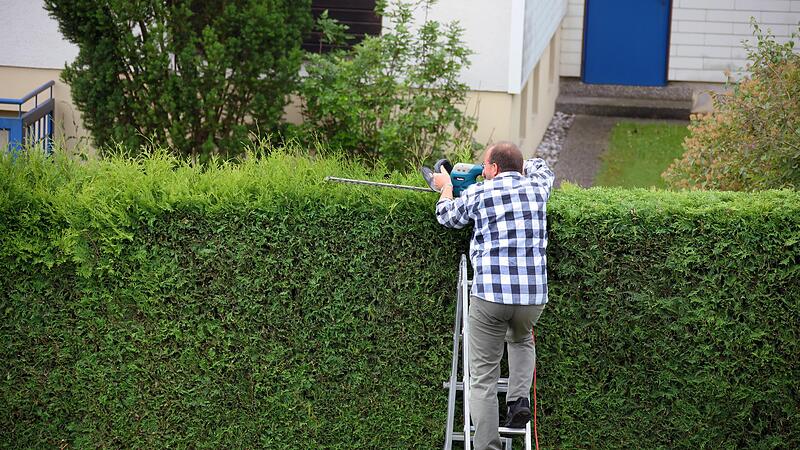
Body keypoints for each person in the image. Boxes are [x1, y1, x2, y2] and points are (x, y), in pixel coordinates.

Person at [432, 141, 554, 450]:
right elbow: (544, 167)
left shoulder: (479, 193)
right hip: (532, 298)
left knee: (483, 377)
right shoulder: (537, 187)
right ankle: (518, 400)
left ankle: (488, 446)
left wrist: (446, 186)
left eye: (485, 167)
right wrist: (517, 167)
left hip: (490, 296)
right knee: (522, 339)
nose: (482, 172)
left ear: (494, 168)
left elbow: (446, 216)